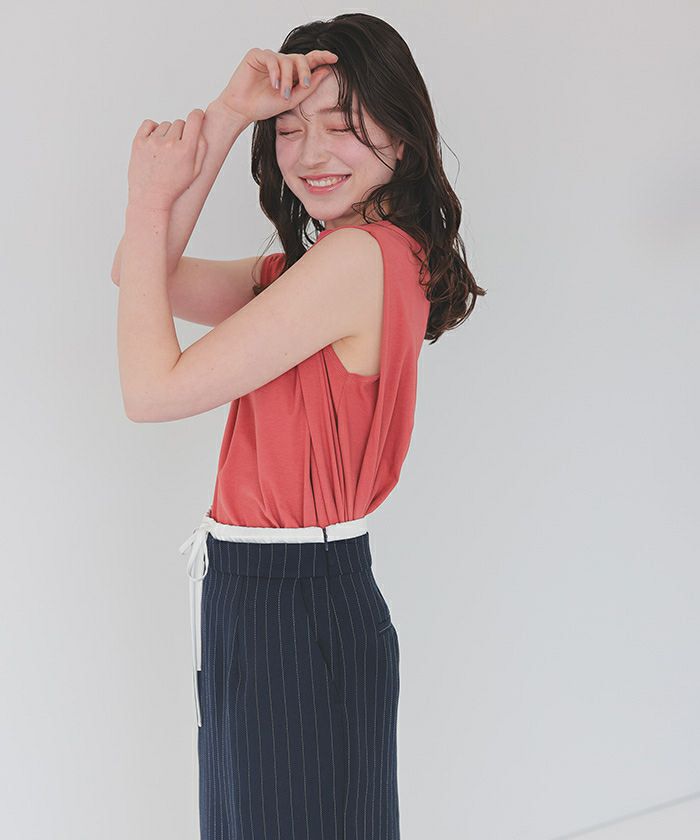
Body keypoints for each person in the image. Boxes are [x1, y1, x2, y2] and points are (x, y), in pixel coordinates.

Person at [113, 12, 485, 839]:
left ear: (402, 137)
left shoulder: (356, 261)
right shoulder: (329, 264)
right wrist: (227, 113)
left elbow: (150, 391)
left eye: (342, 124)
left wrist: (150, 195)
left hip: (292, 601)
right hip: (267, 594)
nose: (311, 152)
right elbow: (141, 271)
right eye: (287, 128)